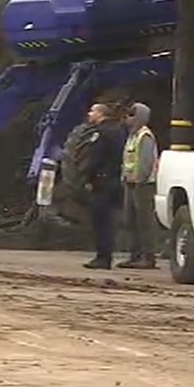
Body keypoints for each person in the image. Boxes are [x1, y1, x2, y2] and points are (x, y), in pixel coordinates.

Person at [81, 102, 126, 270]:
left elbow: (96, 158)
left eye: (92, 111)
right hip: (114, 179)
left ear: (100, 114)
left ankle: (103, 256)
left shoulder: (101, 133)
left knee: (101, 221)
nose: (89, 114)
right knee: (108, 220)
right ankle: (105, 255)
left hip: (102, 181)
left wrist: (88, 177)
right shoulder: (119, 131)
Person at [117, 102, 159, 269]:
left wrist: (139, 179)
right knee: (130, 220)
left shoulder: (145, 136)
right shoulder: (132, 136)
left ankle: (148, 256)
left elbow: (146, 162)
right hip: (130, 183)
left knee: (144, 221)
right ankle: (134, 255)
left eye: (131, 115)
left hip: (142, 185)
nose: (127, 119)